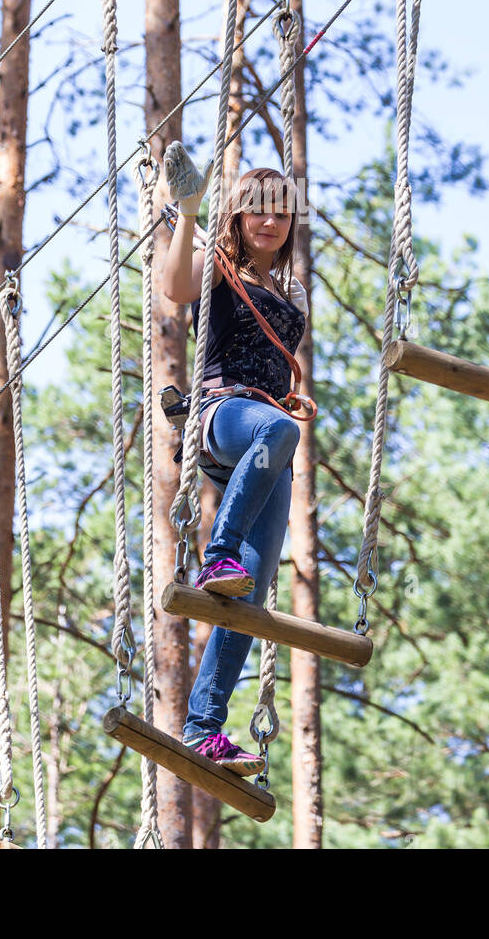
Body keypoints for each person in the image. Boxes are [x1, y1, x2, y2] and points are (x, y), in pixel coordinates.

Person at [162, 143, 309, 776]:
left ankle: (204, 729)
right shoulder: (216, 262)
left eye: (280, 214)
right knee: (280, 432)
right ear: (239, 218)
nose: (270, 223)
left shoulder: (290, 289)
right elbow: (173, 289)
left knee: (247, 599)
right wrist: (189, 213)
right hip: (225, 416)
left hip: (265, 436)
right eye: (257, 213)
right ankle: (215, 551)